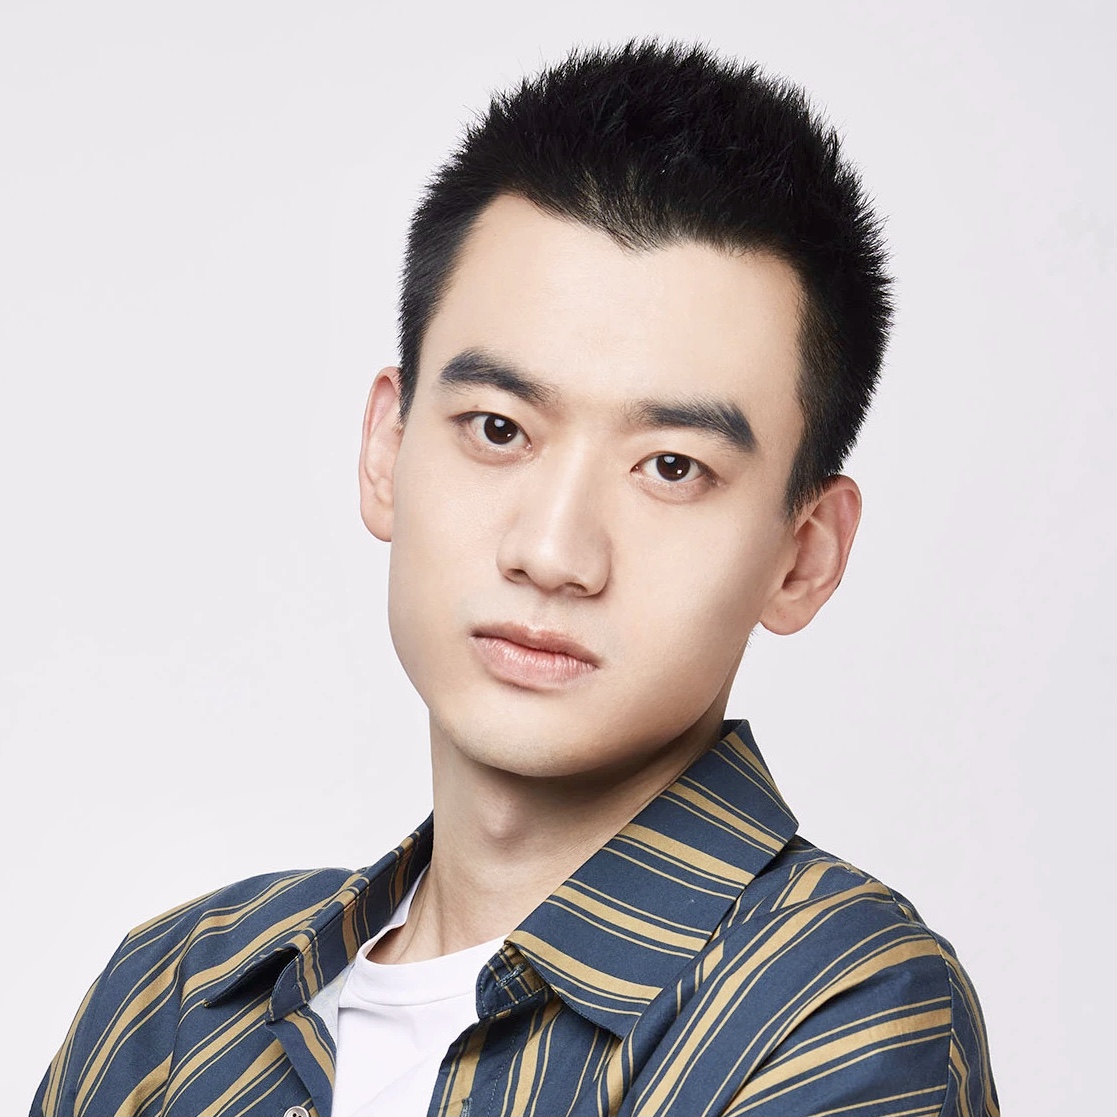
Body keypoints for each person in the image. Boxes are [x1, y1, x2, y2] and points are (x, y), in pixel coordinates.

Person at [32, 39, 998, 1117]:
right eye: (498, 428)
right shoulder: (179, 996)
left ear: (804, 554)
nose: (551, 552)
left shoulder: (834, 1002)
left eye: (670, 467)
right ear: (387, 449)